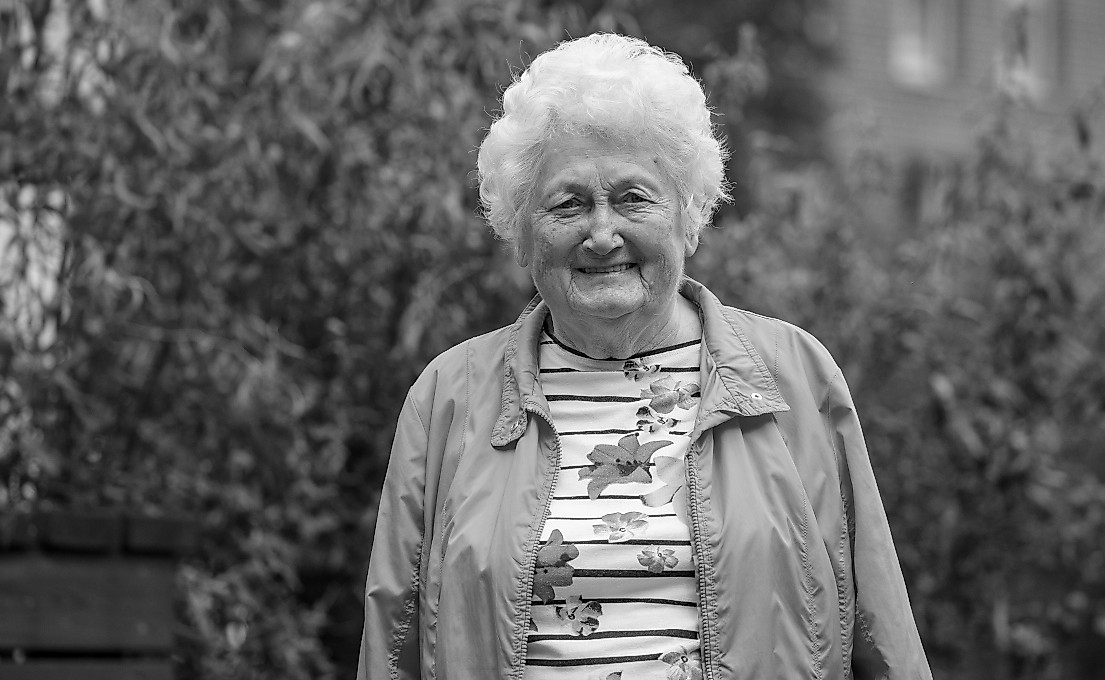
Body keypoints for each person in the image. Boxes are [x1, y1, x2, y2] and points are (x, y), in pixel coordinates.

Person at [358, 33, 932, 680]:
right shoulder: (449, 396)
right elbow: (394, 646)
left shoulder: (792, 375)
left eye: (633, 198)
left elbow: (878, 629)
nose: (602, 234)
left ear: (689, 213)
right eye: (568, 203)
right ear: (521, 229)